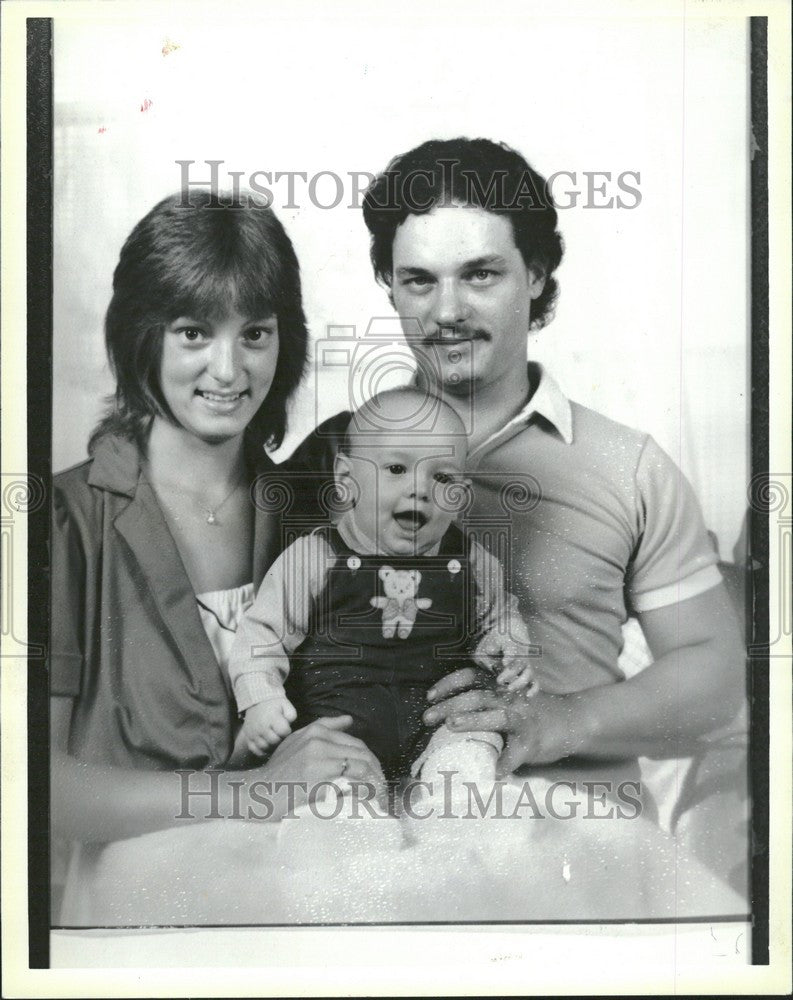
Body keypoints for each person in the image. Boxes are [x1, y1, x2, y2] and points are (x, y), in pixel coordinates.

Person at [287, 138, 746, 835]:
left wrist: (565, 720)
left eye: (479, 275)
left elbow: (714, 680)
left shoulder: (628, 466)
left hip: (576, 854)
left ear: (534, 275)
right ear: (389, 284)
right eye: (418, 281)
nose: (446, 311)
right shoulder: (334, 456)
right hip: (375, 859)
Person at [50, 190, 386, 875]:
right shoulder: (63, 520)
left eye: (254, 333)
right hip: (130, 902)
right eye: (194, 333)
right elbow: (41, 787)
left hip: (301, 876)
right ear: (142, 336)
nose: (229, 371)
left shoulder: (312, 509)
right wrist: (250, 792)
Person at [229, 386, 534, 784]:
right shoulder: (314, 557)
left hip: (440, 727)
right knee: (334, 798)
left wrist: (510, 647)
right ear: (346, 480)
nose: (419, 489)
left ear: (461, 495)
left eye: (441, 476)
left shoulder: (473, 562)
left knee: (473, 756)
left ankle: (456, 802)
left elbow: (500, 616)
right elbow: (260, 635)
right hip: (339, 731)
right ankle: (351, 815)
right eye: (395, 469)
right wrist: (261, 700)